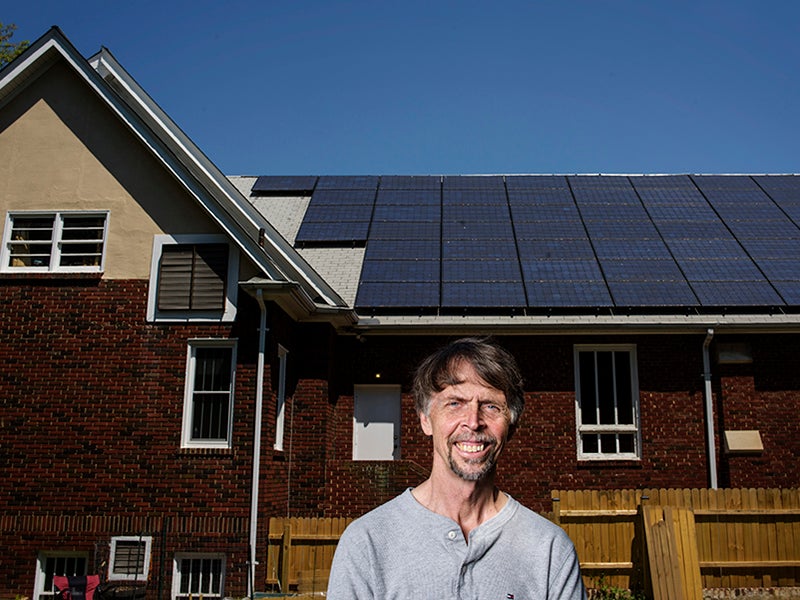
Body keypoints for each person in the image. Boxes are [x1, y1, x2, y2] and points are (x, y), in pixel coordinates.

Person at [327, 337, 586, 599]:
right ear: (426, 420)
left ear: (511, 426)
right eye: (454, 403)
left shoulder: (550, 550)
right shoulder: (367, 543)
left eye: (491, 406)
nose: (473, 422)